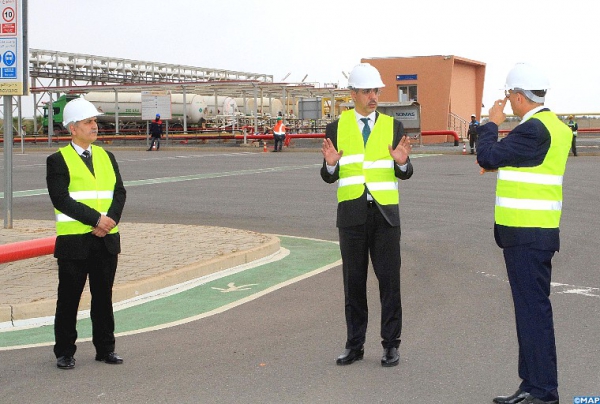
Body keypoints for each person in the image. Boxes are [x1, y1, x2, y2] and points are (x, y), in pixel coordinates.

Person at [476, 63, 572, 404]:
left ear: (518, 97)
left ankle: (543, 391)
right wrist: (498, 159)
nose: (507, 103)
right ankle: (531, 385)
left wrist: (492, 124)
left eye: (508, 97)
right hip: (536, 233)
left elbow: (486, 153)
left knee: (532, 313)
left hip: (526, 234)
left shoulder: (532, 129)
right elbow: (512, 160)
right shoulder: (556, 127)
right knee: (531, 312)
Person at [320, 63, 413, 368]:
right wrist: (331, 165)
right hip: (352, 216)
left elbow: (406, 170)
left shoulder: (392, 126)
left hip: (385, 216)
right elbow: (328, 175)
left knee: (390, 284)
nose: (373, 96)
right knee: (354, 283)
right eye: (367, 91)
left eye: (376, 91)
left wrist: (402, 163)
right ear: (353, 94)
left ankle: (391, 346)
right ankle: (354, 345)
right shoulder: (336, 128)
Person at [46, 97, 127, 370]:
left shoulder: (107, 156)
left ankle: (105, 349)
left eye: (95, 121)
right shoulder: (57, 160)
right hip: (74, 242)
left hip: (106, 240)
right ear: (72, 128)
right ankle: (65, 352)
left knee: (103, 298)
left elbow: (119, 193)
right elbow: (61, 199)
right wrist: (97, 220)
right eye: (88, 121)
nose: (95, 126)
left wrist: (110, 221)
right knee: (68, 299)